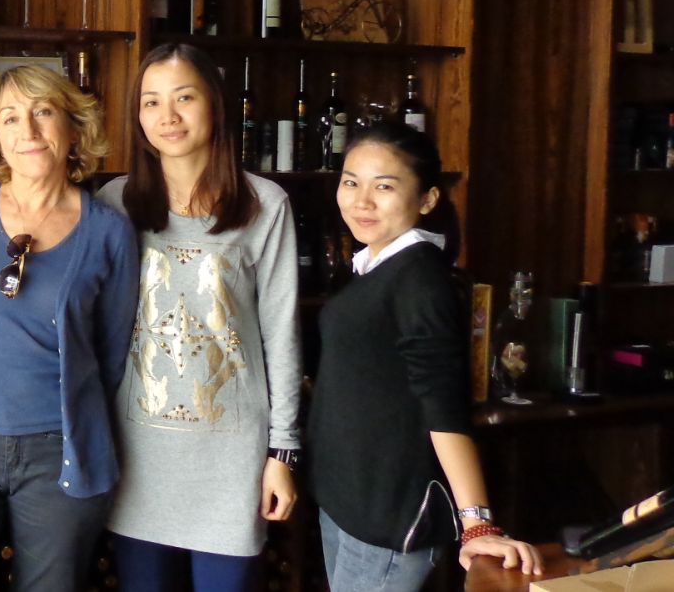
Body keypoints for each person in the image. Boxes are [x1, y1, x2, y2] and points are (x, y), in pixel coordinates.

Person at [0, 65, 139, 592]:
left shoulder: (109, 231)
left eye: (43, 112)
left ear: (73, 128)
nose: (29, 131)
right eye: (10, 118)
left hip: (59, 455)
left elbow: (111, 355)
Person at [96, 43, 302, 591]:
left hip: (231, 459)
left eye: (184, 98)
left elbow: (281, 334)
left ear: (215, 104)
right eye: (151, 102)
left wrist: (282, 453)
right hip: (137, 454)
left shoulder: (265, 204)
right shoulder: (114, 203)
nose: (168, 116)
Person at [310, 122, 543, 590]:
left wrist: (477, 524)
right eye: (351, 182)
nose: (361, 201)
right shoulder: (377, 265)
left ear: (428, 199)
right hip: (350, 503)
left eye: (384, 187)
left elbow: (444, 408)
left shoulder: (420, 280)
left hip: (389, 517)